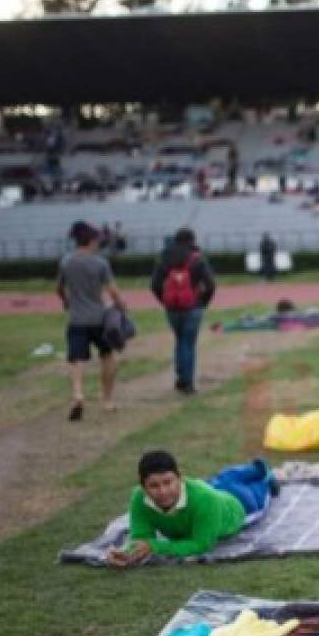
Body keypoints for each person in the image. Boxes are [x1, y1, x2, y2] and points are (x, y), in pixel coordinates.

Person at [106, 450, 276, 567]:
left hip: (239, 502)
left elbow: (201, 544)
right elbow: (141, 539)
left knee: (259, 484)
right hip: (211, 491)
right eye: (154, 486)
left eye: (167, 482)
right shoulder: (139, 498)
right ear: (142, 486)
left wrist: (155, 546)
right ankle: (252, 469)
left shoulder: (204, 499)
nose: (163, 492)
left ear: (180, 477)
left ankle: (261, 471)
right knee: (221, 479)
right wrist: (126, 553)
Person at [57, 221, 126, 421]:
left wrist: (67, 302)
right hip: (99, 317)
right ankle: (107, 400)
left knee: (76, 359)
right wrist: (121, 306)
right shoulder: (100, 263)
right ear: (92, 241)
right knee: (107, 356)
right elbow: (113, 291)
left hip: (77, 318)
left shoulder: (66, 262)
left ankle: (78, 394)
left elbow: (59, 288)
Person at [151, 228, 217, 395]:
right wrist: (203, 302)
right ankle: (187, 382)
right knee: (188, 343)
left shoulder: (165, 258)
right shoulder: (197, 258)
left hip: (172, 308)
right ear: (192, 240)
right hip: (193, 307)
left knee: (180, 340)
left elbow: (155, 285)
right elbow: (210, 284)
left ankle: (181, 377)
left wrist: (164, 301)